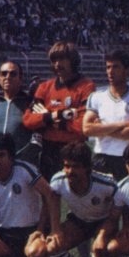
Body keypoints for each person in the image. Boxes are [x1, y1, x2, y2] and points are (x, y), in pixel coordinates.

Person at [42, 142, 118, 257]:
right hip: (78, 222)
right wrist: (55, 229)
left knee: (100, 249)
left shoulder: (106, 184)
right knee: (53, 247)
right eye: (66, 166)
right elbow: (53, 200)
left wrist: (106, 232)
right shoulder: (58, 181)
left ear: (87, 167)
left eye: (75, 166)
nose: (70, 171)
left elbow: (122, 205)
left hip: (102, 222)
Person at [23, 41, 96, 180]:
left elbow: (83, 126)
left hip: (75, 151)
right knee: (49, 191)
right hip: (48, 151)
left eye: (62, 59)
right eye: (54, 60)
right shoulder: (44, 87)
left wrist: (47, 118)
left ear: (73, 60)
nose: (57, 64)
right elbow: (28, 120)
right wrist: (59, 115)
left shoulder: (87, 86)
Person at [82, 50, 129, 180]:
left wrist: (102, 129)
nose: (110, 71)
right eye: (108, 67)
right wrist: (123, 125)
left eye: (116, 67)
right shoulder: (96, 97)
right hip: (101, 157)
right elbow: (87, 129)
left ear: (127, 70)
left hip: (127, 158)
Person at [0, 61, 40, 166]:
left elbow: (37, 136)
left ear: (20, 79)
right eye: (4, 74)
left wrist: (20, 158)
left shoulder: (30, 104)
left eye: (13, 74)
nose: (8, 77)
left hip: (21, 164)